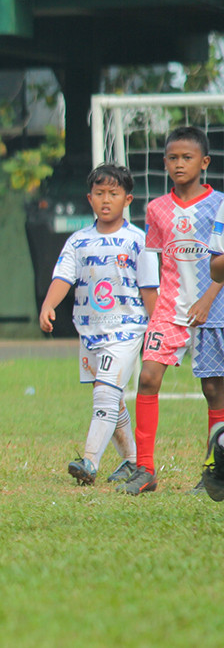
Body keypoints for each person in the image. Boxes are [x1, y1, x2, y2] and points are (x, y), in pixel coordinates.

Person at [38, 164, 158, 486]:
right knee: (110, 396)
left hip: (127, 328)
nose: (106, 200)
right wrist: (49, 305)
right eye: (100, 194)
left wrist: (157, 328)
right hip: (90, 331)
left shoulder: (138, 240)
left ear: (127, 199)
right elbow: (63, 276)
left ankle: (89, 462)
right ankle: (132, 461)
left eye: (114, 194)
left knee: (105, 392)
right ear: (89, 198)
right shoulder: (78, 241)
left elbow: (149, 289)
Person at [122, 126, 224, 495]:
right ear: (164, 163)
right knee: (147, 377)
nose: (179, 164)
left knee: (213, 388)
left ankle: (214, 470)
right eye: (172, 158)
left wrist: (208, 298)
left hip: (213, 309)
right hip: (169, 309)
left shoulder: (219, 204)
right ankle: (145, 469)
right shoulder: (156, 209)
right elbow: (153, 259)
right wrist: (154, 308)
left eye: (187, 157)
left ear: (204, 162)